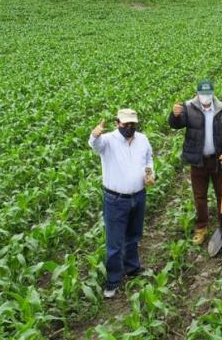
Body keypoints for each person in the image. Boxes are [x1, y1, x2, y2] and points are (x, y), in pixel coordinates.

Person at [89, 108, 154, 299]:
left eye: (132, 124)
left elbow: (149, 158)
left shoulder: (142, 139)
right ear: (117, 123)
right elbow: (95, 145)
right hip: (115, 199)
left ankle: (133, 268)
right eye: (125, 124)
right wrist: (94, 135)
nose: (129, 127)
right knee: (115, 243)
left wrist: (150, 174)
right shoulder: (107, 140)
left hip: (138, 195)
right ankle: (113, 280)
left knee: (133, 236)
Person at [169, 80, 222, 246]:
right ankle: (201, 227)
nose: (206, 97)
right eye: (203, 94)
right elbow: (176, 125)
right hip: (198, 161)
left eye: (209, 94)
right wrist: (175, 115)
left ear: (213, 93)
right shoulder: (188, 108)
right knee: (199, 196)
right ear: (198, 94)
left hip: (218, 160)